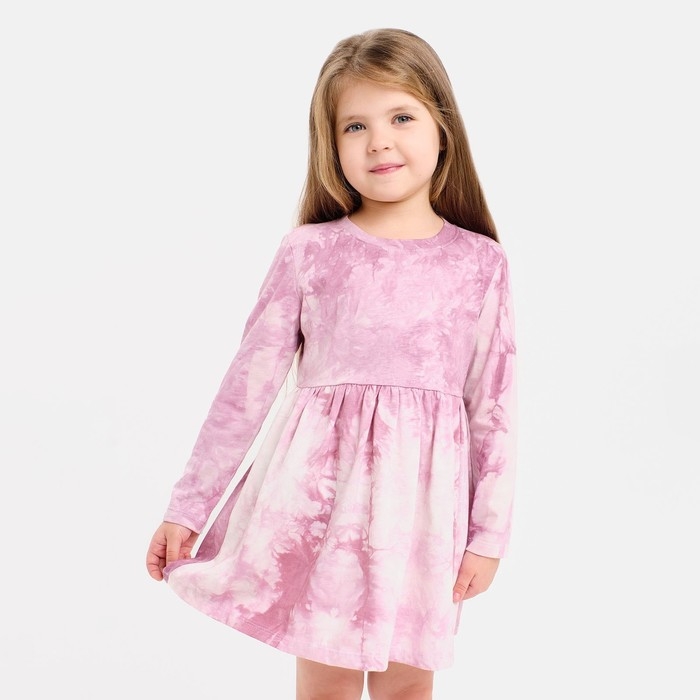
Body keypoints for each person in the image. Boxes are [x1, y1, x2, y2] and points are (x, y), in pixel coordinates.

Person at [146, 27, 517, 700]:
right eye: (355, 125)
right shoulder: (310, 252)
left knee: (408, 685)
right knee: (327, 684)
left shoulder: (479, 263)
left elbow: (493, 407)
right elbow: (245, 390)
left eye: (401, 117)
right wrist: (189, 507)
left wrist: (488, 534)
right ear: (331, 144)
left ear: (442, 127)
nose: (379, 141)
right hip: (317, 506)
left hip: (422, 514)